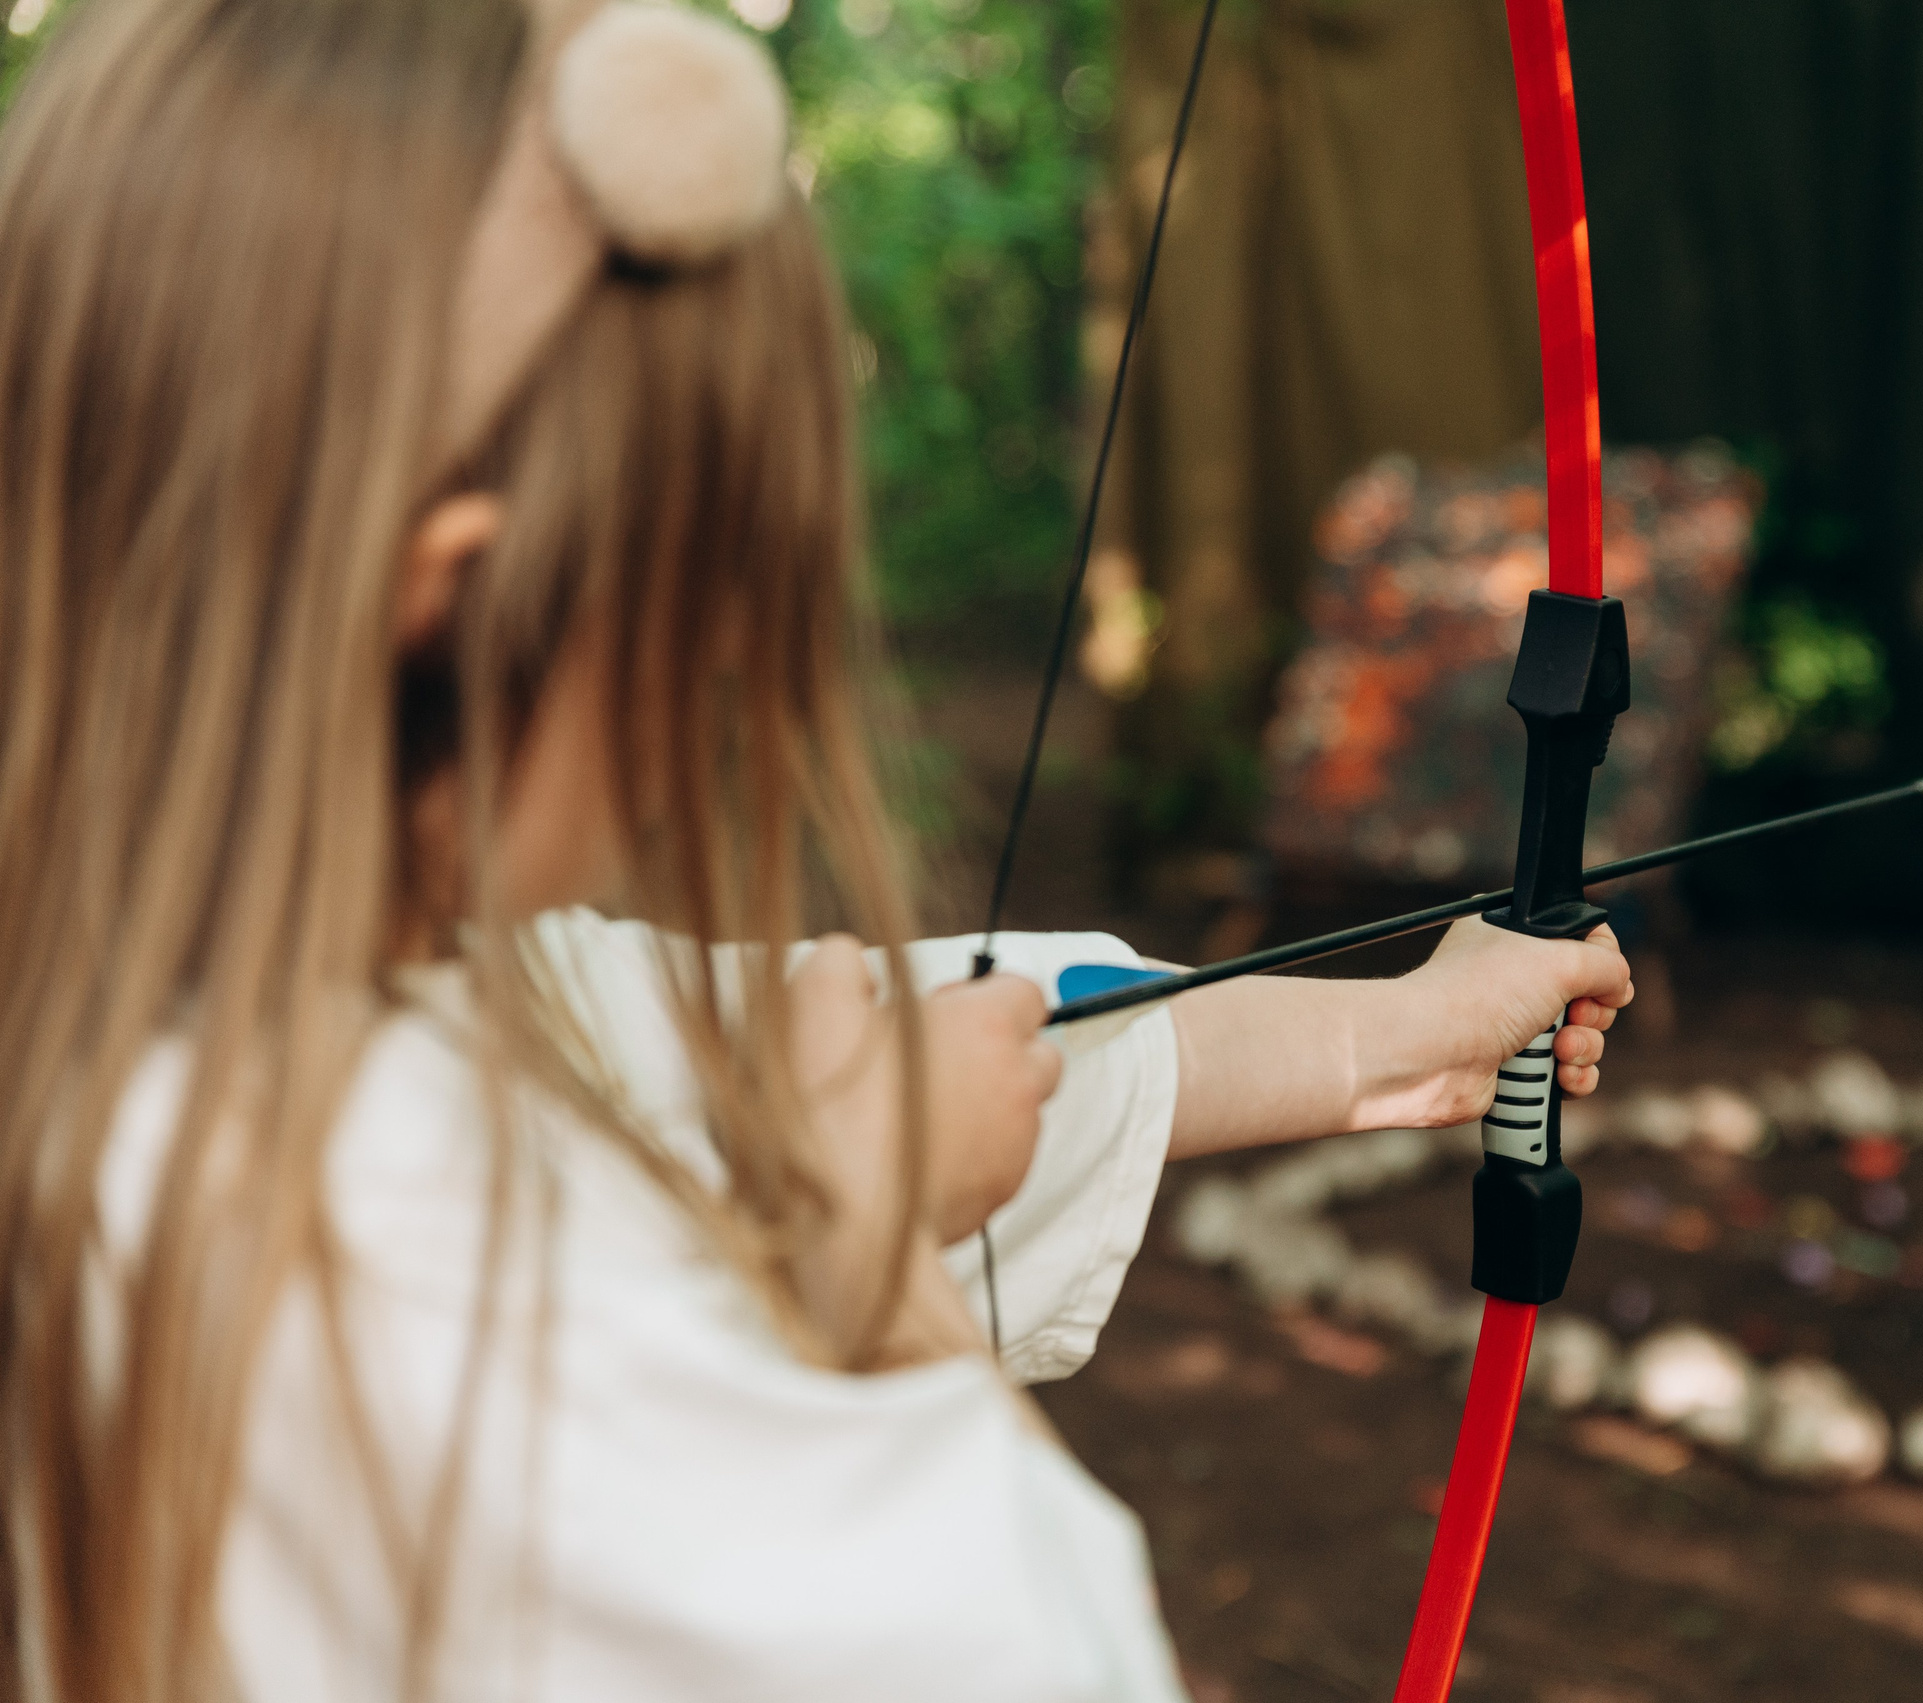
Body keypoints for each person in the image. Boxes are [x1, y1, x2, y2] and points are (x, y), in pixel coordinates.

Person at [0, 3, 1635, 1699]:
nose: (711, 688)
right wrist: (863, 1271)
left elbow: (843, 1046)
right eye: (708, 600)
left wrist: (1400, 1035)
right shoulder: (535, 1400)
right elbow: (1024, 1647)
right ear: (462, 615)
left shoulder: (191, 1007)